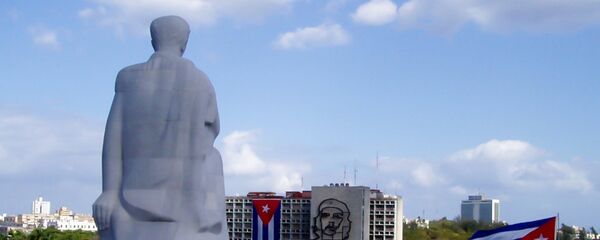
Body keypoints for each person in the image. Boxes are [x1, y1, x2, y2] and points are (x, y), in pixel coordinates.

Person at [92, 15, 227, 240]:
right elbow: (211, 132)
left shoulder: (127, 77)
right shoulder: (201, 81)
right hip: (187, 197)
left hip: (130, 192)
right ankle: (204, 216)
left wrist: (109, 192)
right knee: (214, 157)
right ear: (184, 42)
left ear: (154, 41)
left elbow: (112, 139)